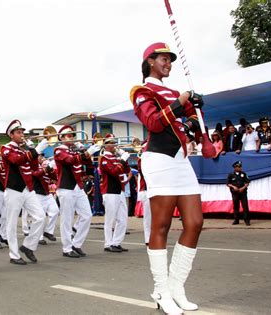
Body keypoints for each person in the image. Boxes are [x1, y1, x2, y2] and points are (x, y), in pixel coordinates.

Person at [130, 42, 205, 312]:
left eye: (170, 60)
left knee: (195, 222)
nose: (168, 64)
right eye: (164, 59)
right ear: (150, 61)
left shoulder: (174, 92)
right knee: (160, 226)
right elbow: (153, 122)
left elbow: (192, 126)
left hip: (181, 160)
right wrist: (181, 102)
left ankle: (176, 287)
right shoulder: (141, 91)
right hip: (158, 160)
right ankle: (161, 291)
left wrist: (196, 113)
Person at [1, 119, 48, 265]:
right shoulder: (6, 148)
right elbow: (16, 160)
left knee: (40, 217)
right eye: (19, 132)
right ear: (11, 135)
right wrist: (34, 151)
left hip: (28, 188)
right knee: (12, 223)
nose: (22, 135)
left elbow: (34, 167)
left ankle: (28, 246)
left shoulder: (24, 149)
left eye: (22, 132)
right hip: (14, 189)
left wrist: (33, 151)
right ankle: (14, 255)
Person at [54, 125, 100, 258]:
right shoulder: (58, 150)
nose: (72, 137)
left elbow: (88, 163)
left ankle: (76, 244)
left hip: (78, 187)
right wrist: (86, 153)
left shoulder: (75, 150)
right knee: (67, 219)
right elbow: (69, 160)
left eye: (73, 135)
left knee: (87, 215)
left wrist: (85, 151)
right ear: (61, 138)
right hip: (66, 187)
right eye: (68, 135)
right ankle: (67, 248)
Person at [98, 134, 131, 253]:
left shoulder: (115, 158)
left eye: (114, 142)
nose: (114, 144)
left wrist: (124, 157)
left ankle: (116, 242)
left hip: (119, 190)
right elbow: (113, 171)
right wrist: (122, 160)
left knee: (122, 219)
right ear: (105, 145)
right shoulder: (104, 159)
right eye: (110, 142)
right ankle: (108, 244)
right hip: (109, 191)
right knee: (110, 219)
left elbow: (126, 170)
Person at [31, 155, 59, 245]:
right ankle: (39, 237)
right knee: (40, 217)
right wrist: (47, 168)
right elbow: (37, 174)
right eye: (39, 156)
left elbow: (54, 177)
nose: (41, 158)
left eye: (42, 157)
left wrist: (50, 169)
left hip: (47, 194)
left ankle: (48, 231)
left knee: (55, 211)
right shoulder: (32, 167)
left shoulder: (45, 167)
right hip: (37, 194)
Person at [227, 161, 251, 226]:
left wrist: (242, 188)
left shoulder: (243, 174)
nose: (240, 168)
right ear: (235, 168)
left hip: (243, 193)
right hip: (235, 193)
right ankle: (236, 220)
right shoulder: (231, 175)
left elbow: (247, 182)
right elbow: (228, 184)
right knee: (236, 206)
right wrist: (233, 186)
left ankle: (247, 220)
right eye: (239, 167)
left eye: (240, 167)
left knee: (245, 206)